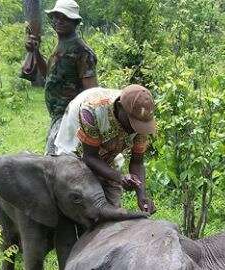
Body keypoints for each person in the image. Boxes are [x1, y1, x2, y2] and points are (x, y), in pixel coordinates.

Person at [53, 85, 157, 214]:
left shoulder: (141, 117)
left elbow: (137, 161)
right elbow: (89, 156)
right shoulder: (91, 110)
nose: (135, 129)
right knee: (74, 192)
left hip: (108, 150)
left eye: (139, 125)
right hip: (77, 142)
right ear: (119, 107)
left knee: (112, 204)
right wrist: (119, 177)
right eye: (132, 123)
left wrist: (141, 195)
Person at [25, 0, 98, 154]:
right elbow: (49, 76)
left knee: (55, 165)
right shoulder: (60, 46)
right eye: (56, 17)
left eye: (64, 18)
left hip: (70, 119)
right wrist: (36, 52)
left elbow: (92, 95)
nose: (58, 21)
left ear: (75, 22)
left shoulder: (81, 51)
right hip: (57, 118)